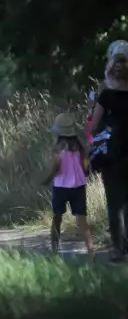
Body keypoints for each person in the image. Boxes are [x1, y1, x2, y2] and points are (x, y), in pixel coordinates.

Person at [91, 42, 128, 262]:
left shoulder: (105, 95)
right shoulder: (105, 94)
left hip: (113, 155)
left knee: (114, 203)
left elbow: (93, 126)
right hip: (121, 156)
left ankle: (117, 248)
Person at [42, 113, 94, 258]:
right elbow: (85, 168)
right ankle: (91, 252)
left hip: (61, 187)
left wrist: (47, 179)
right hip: (79, 187)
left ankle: (54, 250)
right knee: (82, 221)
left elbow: (56, 168)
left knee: (57, 218)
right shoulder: (80, 147)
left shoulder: (57, 149)